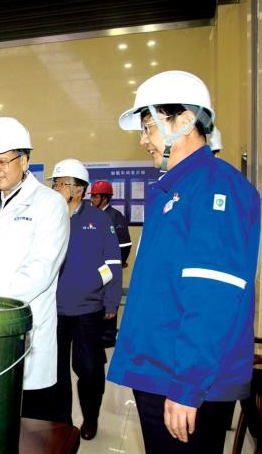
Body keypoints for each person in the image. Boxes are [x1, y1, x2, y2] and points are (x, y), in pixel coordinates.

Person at [107, 70, 261, 453]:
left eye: (148, 126)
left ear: (186, 120)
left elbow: (212, 295)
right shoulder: (174, 190)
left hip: (183, 381)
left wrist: (188, 386)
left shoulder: (216, 188)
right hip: (160, 371)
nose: (143, 140)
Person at [0, 117, 70, 421]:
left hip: (25, 328)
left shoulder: (49, 204)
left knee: (29, 422)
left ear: (24, 160)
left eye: (3, 161)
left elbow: (40, 270)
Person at [49, 159, 122, 440]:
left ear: (78, 189)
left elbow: (112, 263)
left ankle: (91, 418)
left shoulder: (99, 220)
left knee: (89, 369)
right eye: (55, 183)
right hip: (52, 310)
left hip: (88, 309)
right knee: (55, 371)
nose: (56, 188)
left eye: (62, 184)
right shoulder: (49, 218)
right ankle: (62, 422)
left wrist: (111, 301)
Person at [88, 179, 132, 348]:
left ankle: (108, 336)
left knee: (109, 301)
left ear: (105, 198)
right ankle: (95, 334)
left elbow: (125, 245)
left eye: (95, 197)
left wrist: (117, 263)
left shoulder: (115, 216)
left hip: (108, 268)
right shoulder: (90, 215)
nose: (92, 200)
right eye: (92, 196)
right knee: (95, 302)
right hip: (93, 269)